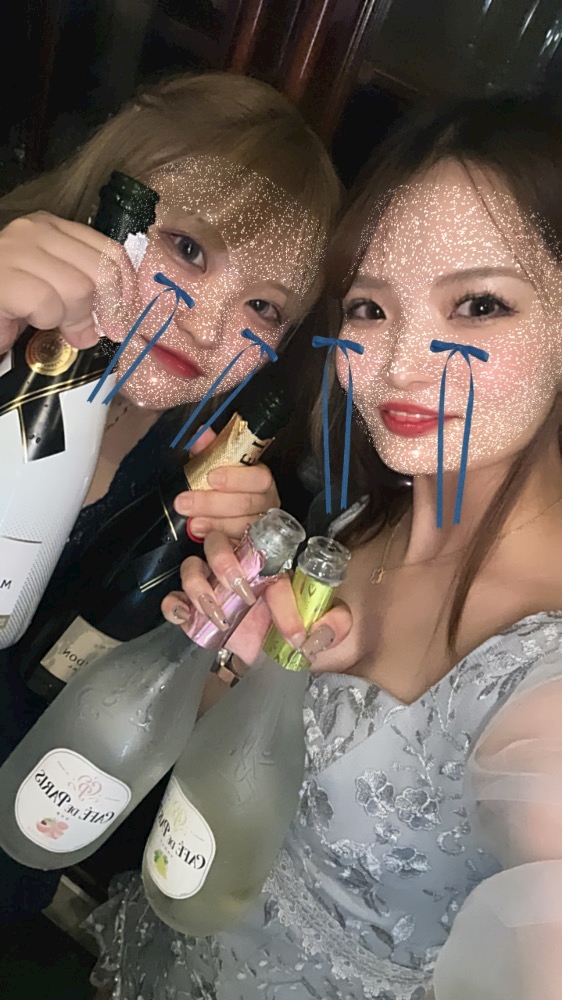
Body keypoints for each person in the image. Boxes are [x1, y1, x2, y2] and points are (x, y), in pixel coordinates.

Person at [86, 92, 562, 1000]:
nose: (400, 364)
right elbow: (227, 775)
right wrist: (234, 666)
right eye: (370, 309)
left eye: (478, 303)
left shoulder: (544, 681)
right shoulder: (351, 528)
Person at [0, 70, 340, 923]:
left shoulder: (205, 486)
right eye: (188, 249)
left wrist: (220, 638)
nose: (208, 322)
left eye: (263, 305)